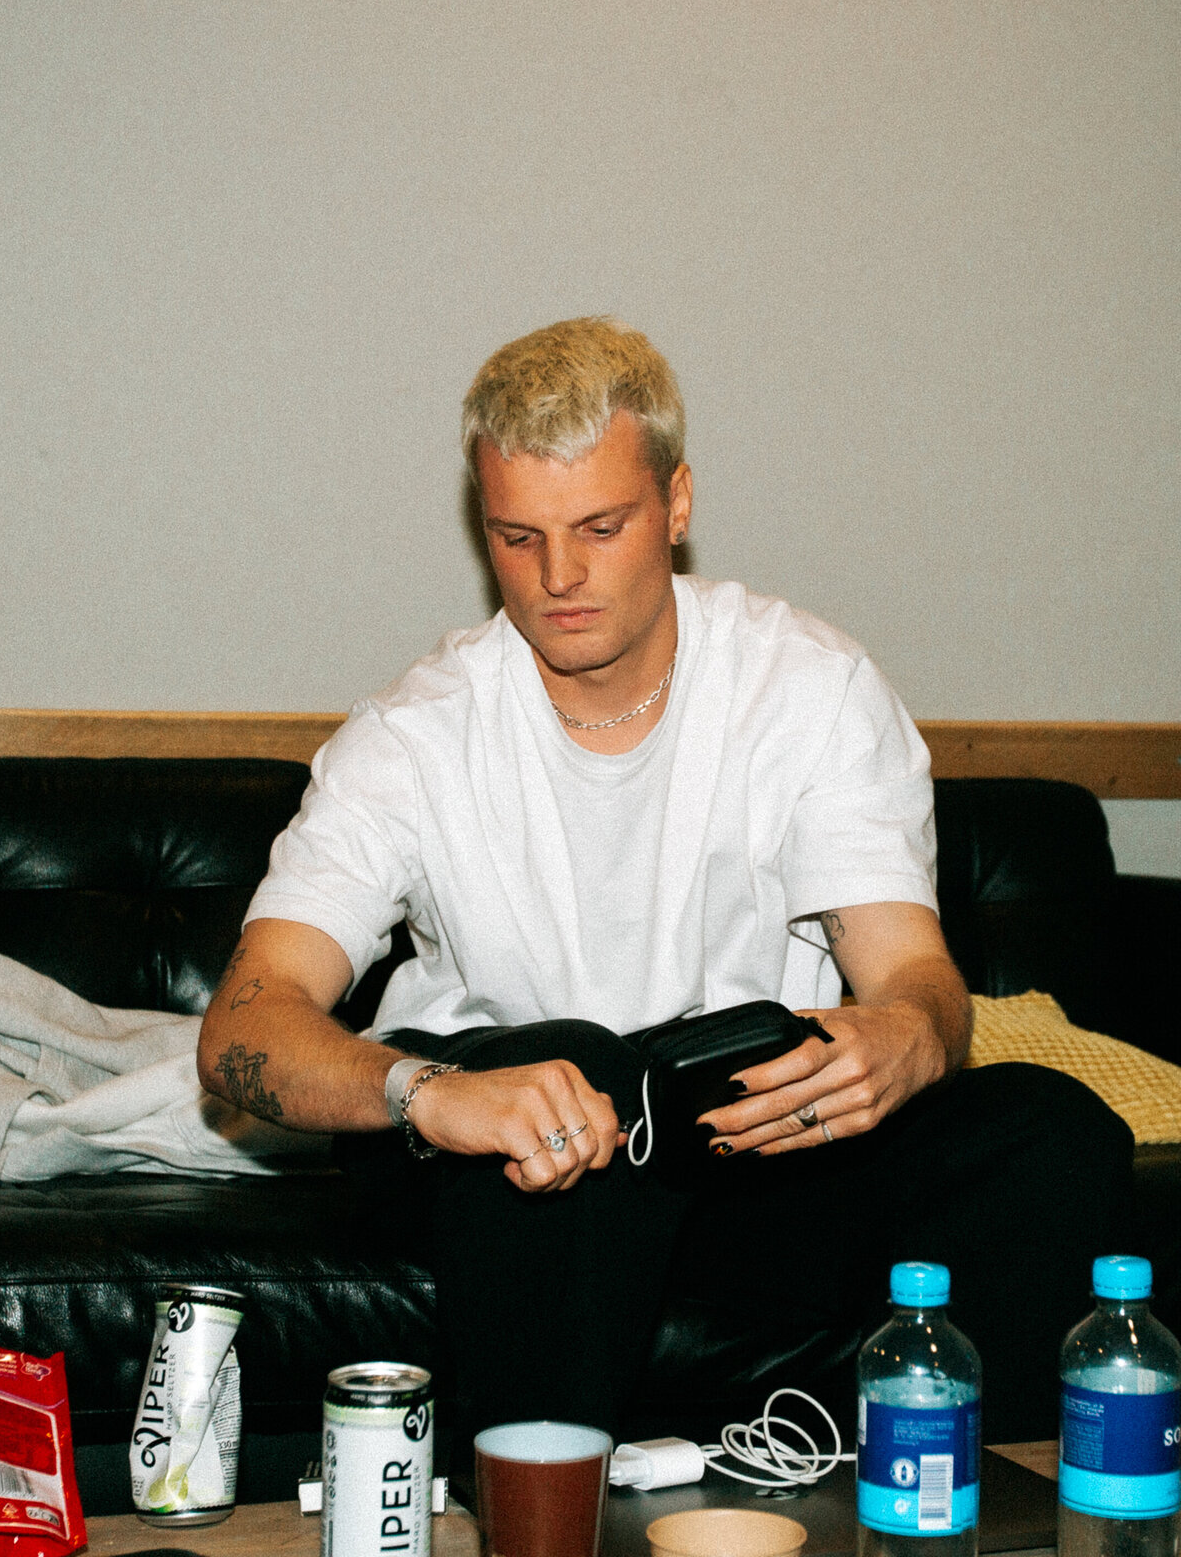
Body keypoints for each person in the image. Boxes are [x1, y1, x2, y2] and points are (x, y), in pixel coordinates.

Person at [198, 316, 1131, 1453]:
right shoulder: (415, 734)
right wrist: (428, 1095)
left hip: (753, 1156)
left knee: (1054, 1131)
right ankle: (544, 1523)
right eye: (518, 537)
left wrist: (909, 1038)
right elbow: (244, 1028)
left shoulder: (808, 687)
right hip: (500, 1153)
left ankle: (943, 1512)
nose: (560, 578)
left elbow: (914, 977)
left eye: (601, 527)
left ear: (677, 504)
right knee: (579, 1067)